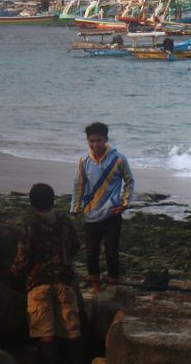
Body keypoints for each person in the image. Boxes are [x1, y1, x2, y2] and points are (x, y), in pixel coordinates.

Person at [11, 183, 84, 364]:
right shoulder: (65, 221)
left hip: (39, 284)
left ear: (32, 202)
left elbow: (22, 259)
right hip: (66, 282)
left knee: (45, 333)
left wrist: (10, 273)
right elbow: (76, 246)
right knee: (72, 331)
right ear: (53, 200)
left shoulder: (29, 225)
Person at [71, 121, 133, 294]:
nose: (95, 144)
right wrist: (75, 209)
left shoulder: (119, 159)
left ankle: (112, 288)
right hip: (91, 214)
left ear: (106, 139)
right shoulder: (83, 161)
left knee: (111, 252)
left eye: (99, 140)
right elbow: (79, 185)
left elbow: (129, 180)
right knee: (91, 253)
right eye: (91, 141)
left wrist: (125, 203)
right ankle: (96, 289)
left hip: (113, 214)